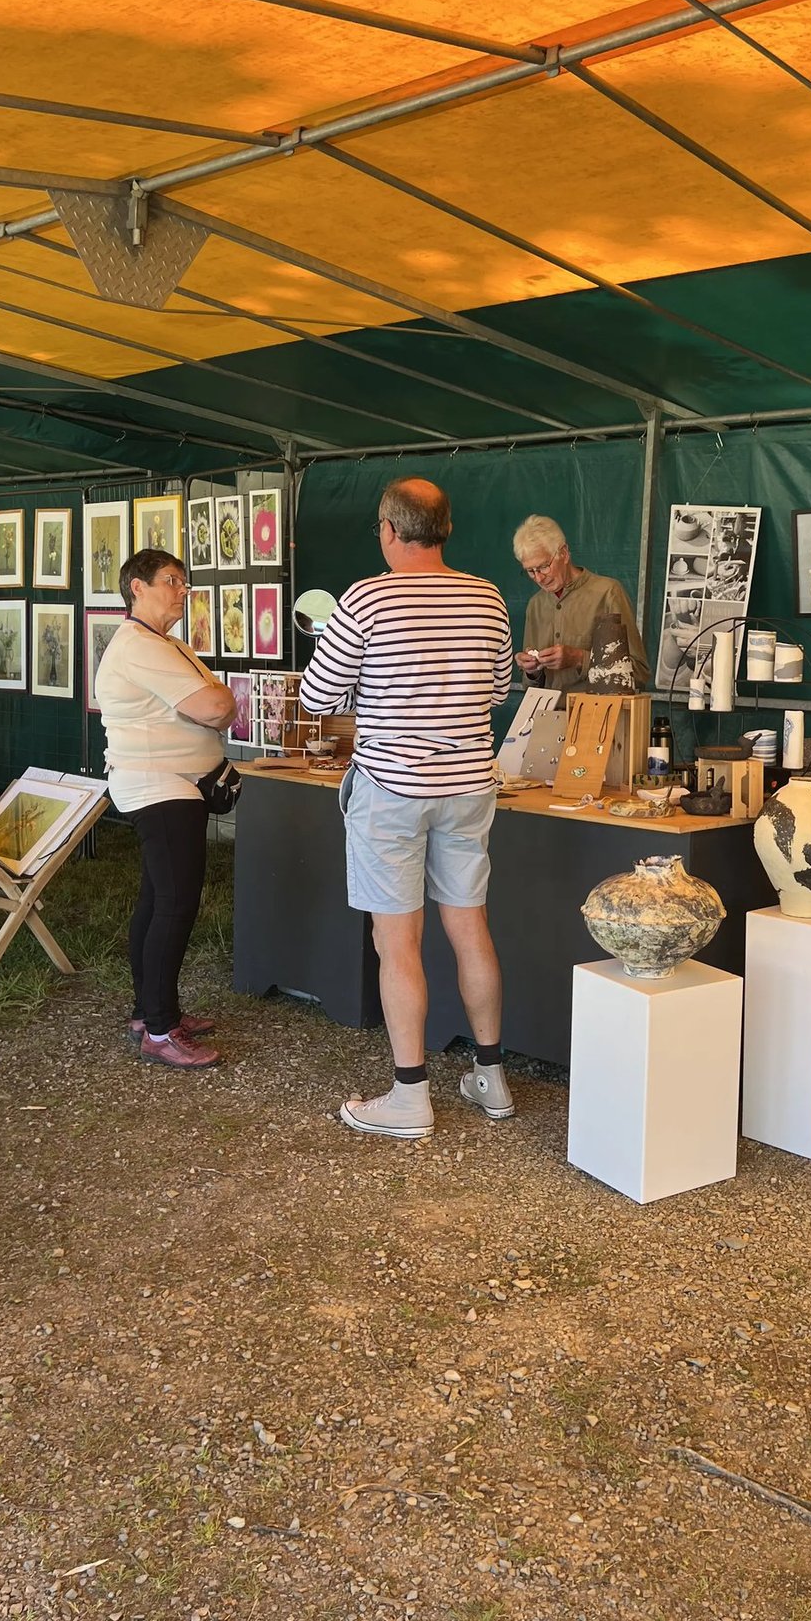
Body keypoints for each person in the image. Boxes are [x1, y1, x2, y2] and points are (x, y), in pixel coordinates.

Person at [300, 477, 515, 1139]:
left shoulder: (366, 598)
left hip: (392, 787)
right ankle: (491, 1078)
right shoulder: (489, 596)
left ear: (390, 531)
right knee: (469, 927)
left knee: (398, 941)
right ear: (445, 529)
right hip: (469, 784)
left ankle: (409, 1095)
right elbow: (501, 688)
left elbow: (316, 697)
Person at [94, 549, 237, 1070]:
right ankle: (159, 1029)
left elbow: (214, 702)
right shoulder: (140, 646)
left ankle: (152, 1011)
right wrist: (215, 699)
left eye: (185, 582)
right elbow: (218, 707)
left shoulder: (165, 644)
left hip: (171, 785)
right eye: (171, 581)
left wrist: (213, 699)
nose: (182, 591)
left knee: (158, 900)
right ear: (137, 587)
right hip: (160, 787)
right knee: (175, 903)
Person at [512, 515, 649, 694]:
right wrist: (531, 672)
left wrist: (579, 659)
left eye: (544, 566)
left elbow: (639, 674)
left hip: (597, 716)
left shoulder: (607, 593)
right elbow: (530, 687)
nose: (538, 578)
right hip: (548, 717)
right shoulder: (535, 605)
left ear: (564, 553)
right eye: (530, 571)